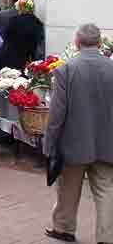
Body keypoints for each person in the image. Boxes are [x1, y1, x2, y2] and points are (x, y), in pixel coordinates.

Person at [43, 23, 113, 244]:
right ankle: (106, 236)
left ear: (77, 42)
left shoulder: (66, 69)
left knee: (68, 188)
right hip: (107, 141)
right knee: (106, 190)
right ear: (100, 43)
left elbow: (56, 114)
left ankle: (64, 228)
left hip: (73, 142)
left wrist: (49, 144)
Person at [0, 0, 45, 71]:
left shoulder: (13, 21)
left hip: (11, 57)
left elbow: (4, 37)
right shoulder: (37, 23)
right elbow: (39, 43)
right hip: (28, 58)